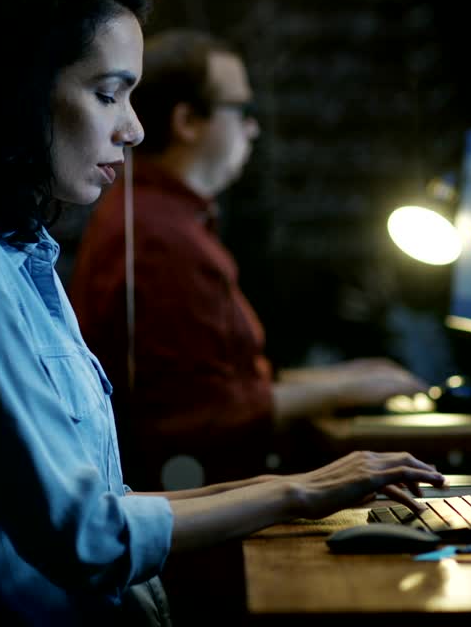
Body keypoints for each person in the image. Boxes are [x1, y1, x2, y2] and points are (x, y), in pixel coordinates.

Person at [0, 0, 444, 626]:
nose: (134, 130)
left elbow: (104, 506)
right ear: (14, 91)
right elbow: (86, 540)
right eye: (109, 95)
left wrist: (306, 485)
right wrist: (299, 495)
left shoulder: (10, 253)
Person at [66, 29, 430, 493]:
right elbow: (198, 412)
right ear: (188, 121)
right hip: (203, 505)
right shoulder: (160, 237)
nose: (253, 128)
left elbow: (216, 377)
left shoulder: (164, 219)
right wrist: (340, 390)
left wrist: (337, 378)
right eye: (242, 111)